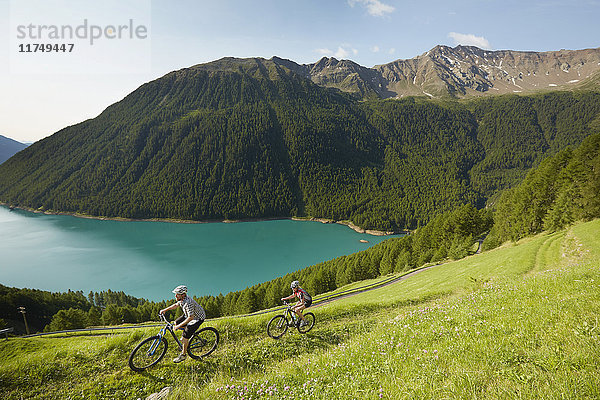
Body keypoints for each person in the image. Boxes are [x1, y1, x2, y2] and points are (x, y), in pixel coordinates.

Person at [159, 285, 206, 363]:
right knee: (176, 322)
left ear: (183, 295)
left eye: (177, 294)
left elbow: (191, 318)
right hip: (188, 315)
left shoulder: (188, 303)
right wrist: (165, 310)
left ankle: (183, 354)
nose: (175, 296)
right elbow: (176, 305)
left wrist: (178, 326)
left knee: (184, 337)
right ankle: (187, 336)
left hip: (197, 318)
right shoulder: (182, 300)